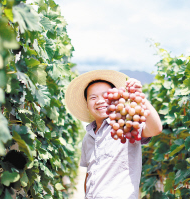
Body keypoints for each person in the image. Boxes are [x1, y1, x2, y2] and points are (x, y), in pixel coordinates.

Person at [65, 70, 162, 199]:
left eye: (106, 95)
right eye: (93, 97)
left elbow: (156, 129)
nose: (100, 101)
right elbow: (90, 174)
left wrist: (139, 96)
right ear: (87, 105)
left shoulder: (126, 125)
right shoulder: (88, 138)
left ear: (116, 99)